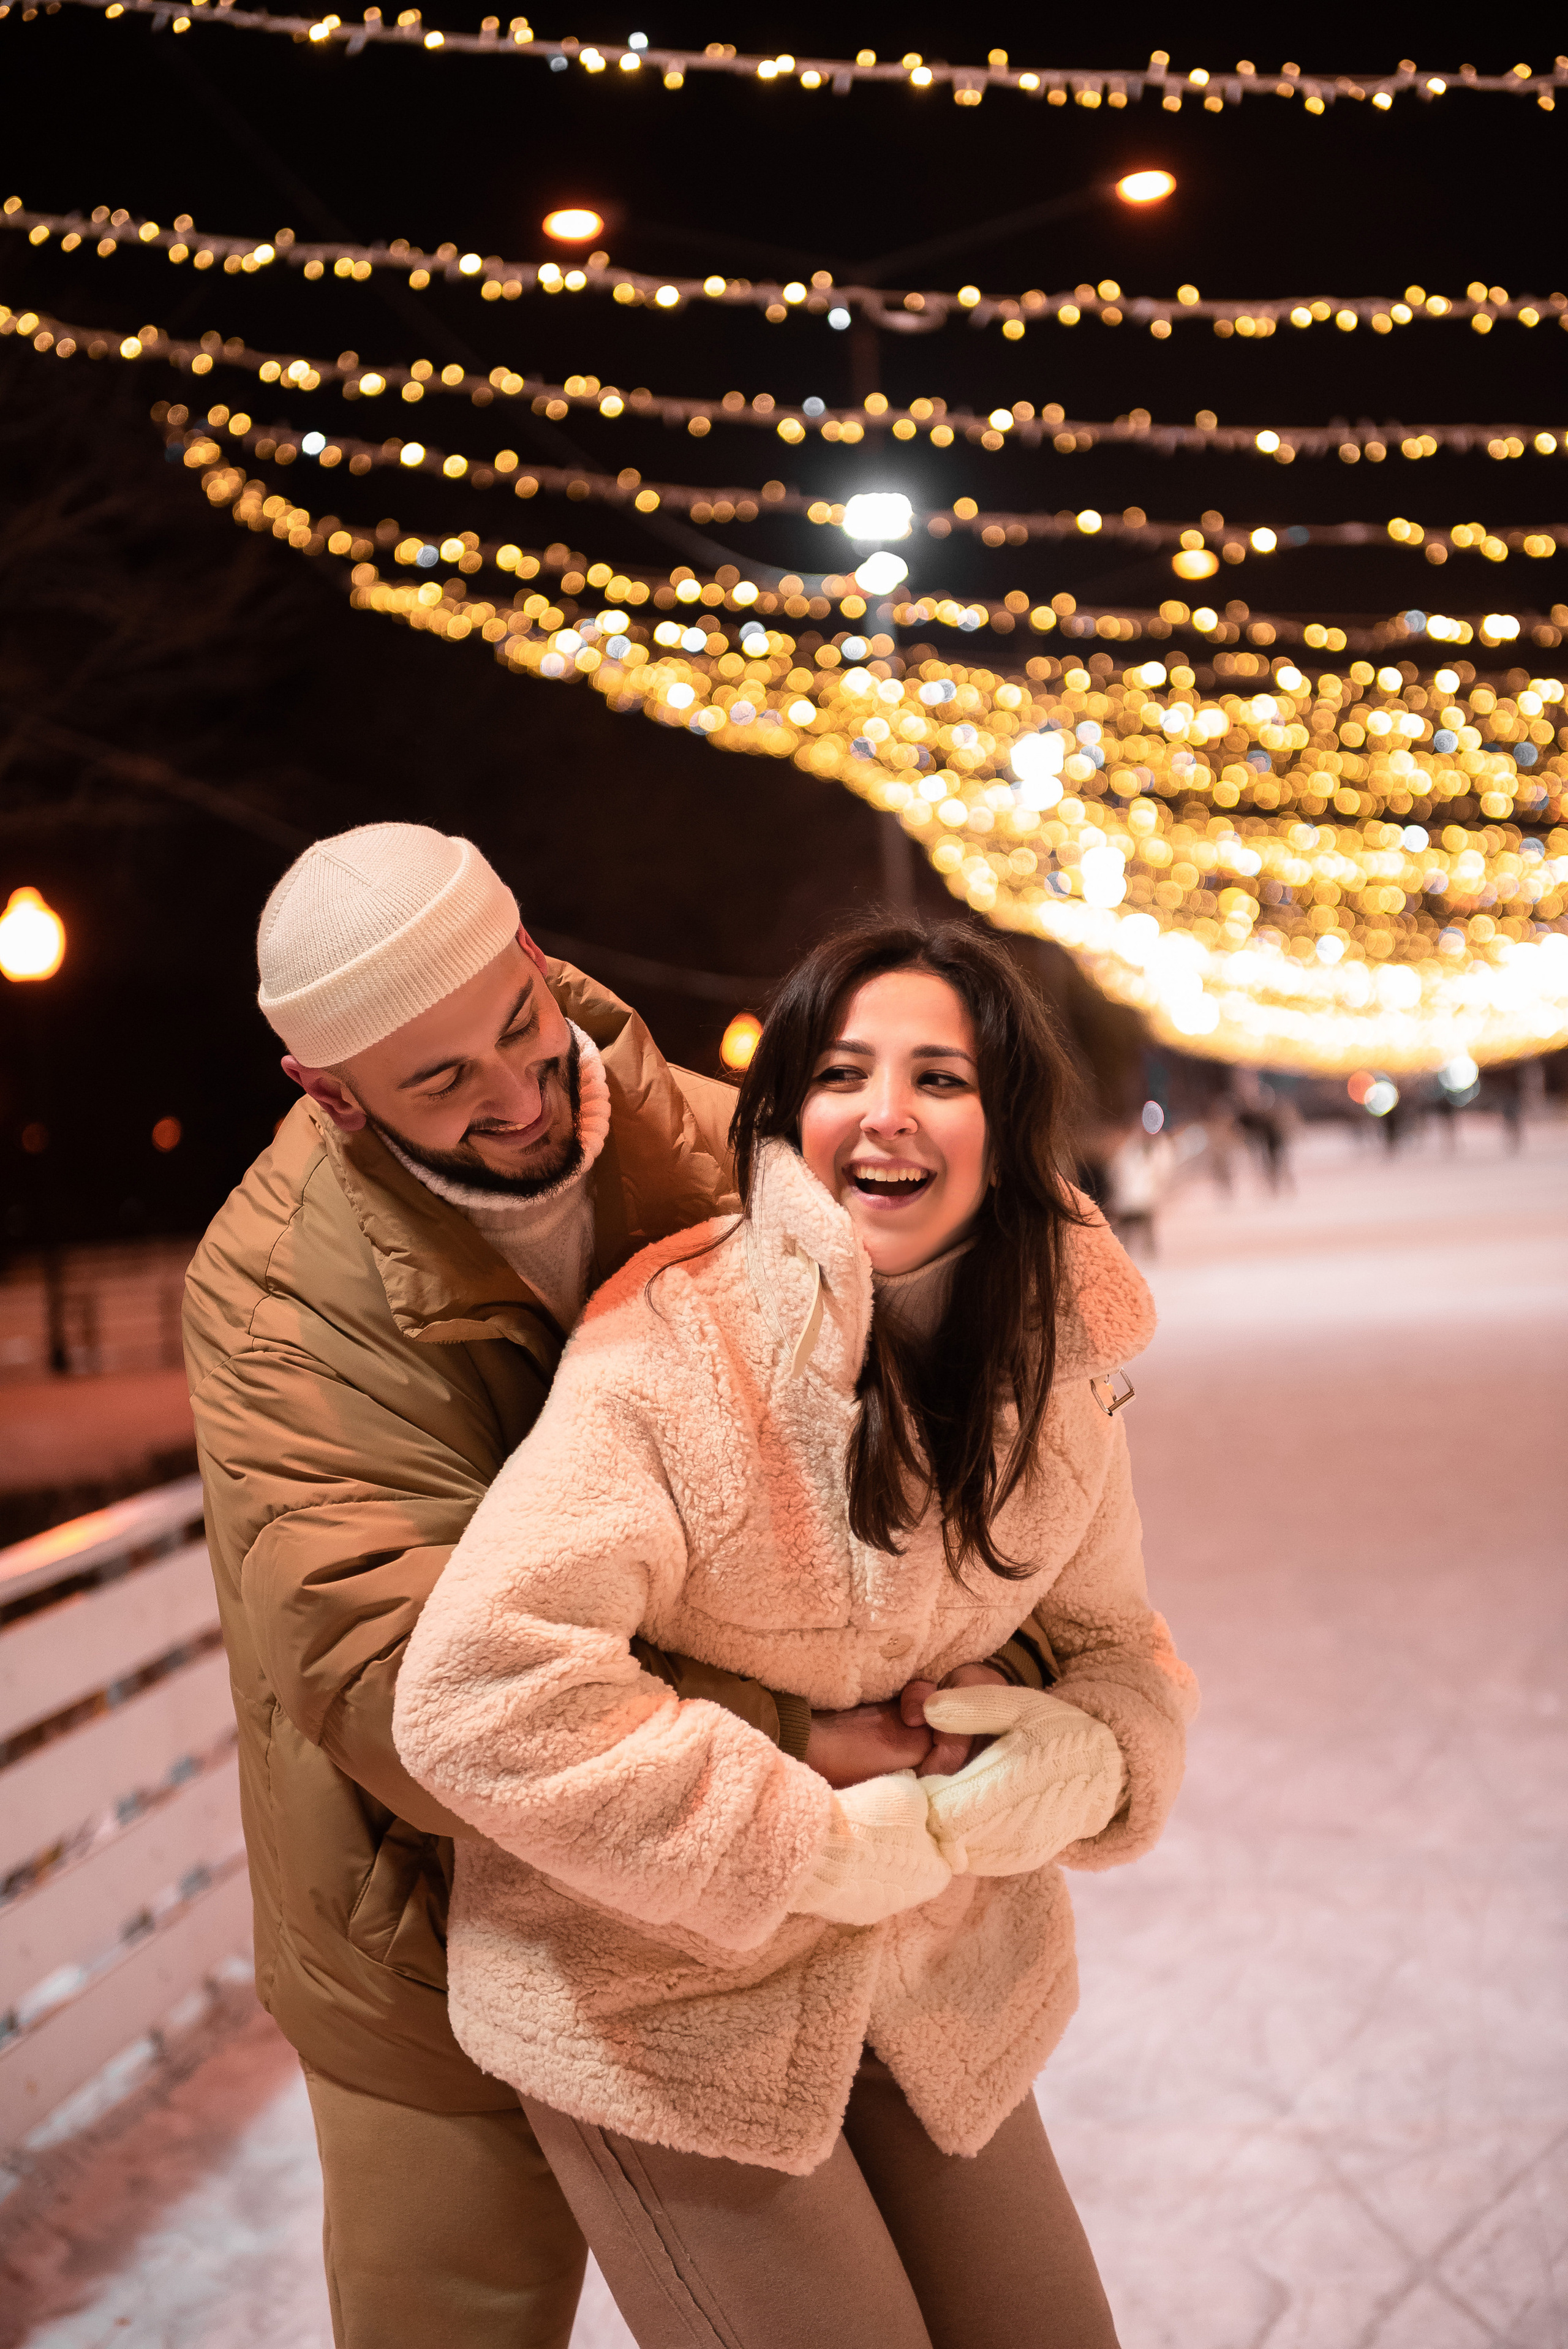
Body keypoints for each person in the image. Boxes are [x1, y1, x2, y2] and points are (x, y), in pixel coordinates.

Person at [396, 917, 1199, 2349]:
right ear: (786, 1118)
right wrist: (801, 1838)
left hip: (923, 1964)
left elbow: (1114, 1646)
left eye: (939, 1077)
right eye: (843, 1072)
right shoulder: (671, 1347)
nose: (887, 1112)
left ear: (1005, 1125)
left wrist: (1096, 1754)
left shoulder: (1056, 1362)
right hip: (654, 1994)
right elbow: (480, 1693)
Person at [183, 823, 926, 2349]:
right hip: (430, 1929)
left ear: (534, 960)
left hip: (740, 1897)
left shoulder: (730, 1152)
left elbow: (910, 1455)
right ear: (328, 1094)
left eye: (518, 1028)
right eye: (440, 1082)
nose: (518, 1096)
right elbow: (399, 1677)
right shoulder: (270, 1305)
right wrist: (793, 1731)